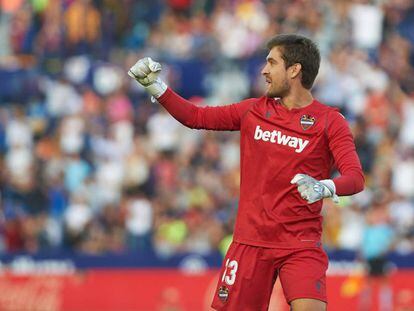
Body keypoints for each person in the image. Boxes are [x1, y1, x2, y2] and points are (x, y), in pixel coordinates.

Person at [128, 34, 365, 311]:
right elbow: (196, 117)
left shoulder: (330, 121)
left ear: (294, 70)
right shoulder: (253, 111)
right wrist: (156, 87)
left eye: (271, 63)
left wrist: (325, 187)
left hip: (300, 245)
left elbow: (355, 177)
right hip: (250, 243)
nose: (264, 71)